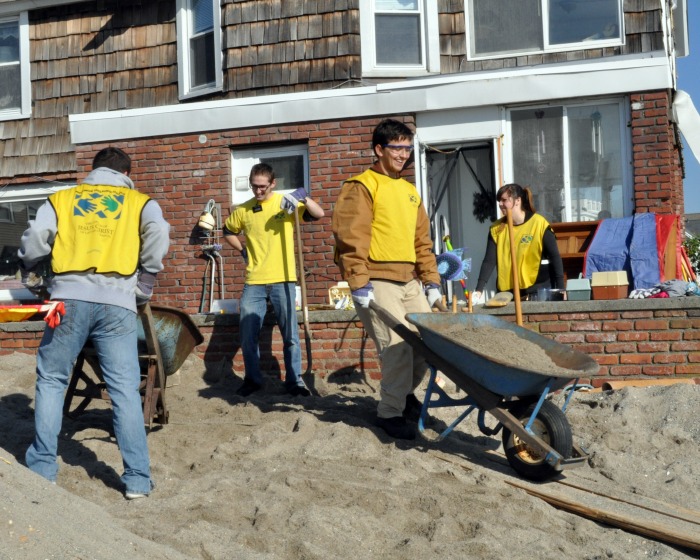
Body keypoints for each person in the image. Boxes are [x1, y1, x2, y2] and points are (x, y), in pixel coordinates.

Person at [19, 146, 170, 499]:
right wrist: (145, 281)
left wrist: (29, 266)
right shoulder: (140, 203)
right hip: (118, 302)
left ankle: (42, 468)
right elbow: (159, 236)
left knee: (53, 379)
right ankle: (137, 481)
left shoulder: (62, 199)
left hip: (67, 299)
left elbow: (36, 240)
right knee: (124, 392)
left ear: (94, 169)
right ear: (126, 173)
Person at [332, 118, 442, 441]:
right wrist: (358, 281)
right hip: (376, 279)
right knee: (396, 348)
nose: (403, 154)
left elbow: (422, 241)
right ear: (379, 149)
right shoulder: (362, 186)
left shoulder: (410, 192)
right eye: (397, 147)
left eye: (407, 148)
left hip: (409, 281)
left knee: (428, 346)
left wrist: (432, 282)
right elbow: (352, 236)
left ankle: (403, 396)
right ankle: (390, 413)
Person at [223, 163, 325, 398]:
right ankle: (252, 380)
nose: (258, 191)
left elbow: (318, 214)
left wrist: (303, 196)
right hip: (255, 281)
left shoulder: (285, 203)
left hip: (284, 279)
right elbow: (228, 231)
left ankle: (294, 381)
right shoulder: (244, 210)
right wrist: (242, 251)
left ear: (272, 184)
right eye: (254, 187)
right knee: (248, 334)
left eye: (262, 187)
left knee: (290, 335)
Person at [472, 183, 564, 302]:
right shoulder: (496, 229)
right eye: (499, 200)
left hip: (537, 291)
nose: (500, 204)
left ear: (517, 201)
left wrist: (561, 288)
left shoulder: (539, 224)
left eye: (504, 200)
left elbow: (555, 257)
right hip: (508, 293)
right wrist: (478, 290)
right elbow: (489, 261)